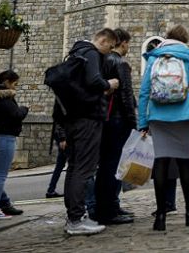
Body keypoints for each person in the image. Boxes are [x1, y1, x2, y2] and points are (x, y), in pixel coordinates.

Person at [138, 24, 189, 231]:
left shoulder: (154, 57)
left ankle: (160, 216)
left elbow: (144, 92)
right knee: (183, 161)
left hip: (158, 115)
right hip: (183, 115)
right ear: (184, 40)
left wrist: (142, 122)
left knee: (161, 161)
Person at [57, 27, 119, 235]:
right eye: (109, 47)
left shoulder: (75, 53)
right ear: (102, 40)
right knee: (84, 168)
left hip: (72, 119)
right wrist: (109, 83)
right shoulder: (91, 53)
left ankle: (73, 216)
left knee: (74, 168)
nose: (109, 52)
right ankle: (76, 219)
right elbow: (94, 81)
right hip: (87, 120)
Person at [95, 28, 136, 226]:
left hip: (105, 119)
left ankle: (108, 205)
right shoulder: (120, 63)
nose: (129, 48)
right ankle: (109, 210)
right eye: (128, 43)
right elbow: (127, 96)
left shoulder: (102, 60)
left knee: (105, 167)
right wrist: (134, 123)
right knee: (114, 167)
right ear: (123, 43)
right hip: (118, 121)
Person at [0, 70, 28, 220]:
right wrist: (24, 109)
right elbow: (16, 115)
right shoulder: (4, 97)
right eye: (15, 84)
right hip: (5, 138)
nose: (15, 88)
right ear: (8, 82)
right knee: (0, 176)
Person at [46, 123, 67, 199]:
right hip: (64, 137)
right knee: (73, 166)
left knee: (60, 165)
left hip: (61, 136)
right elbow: (59, 122)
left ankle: (51, 190)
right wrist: (63, 138)